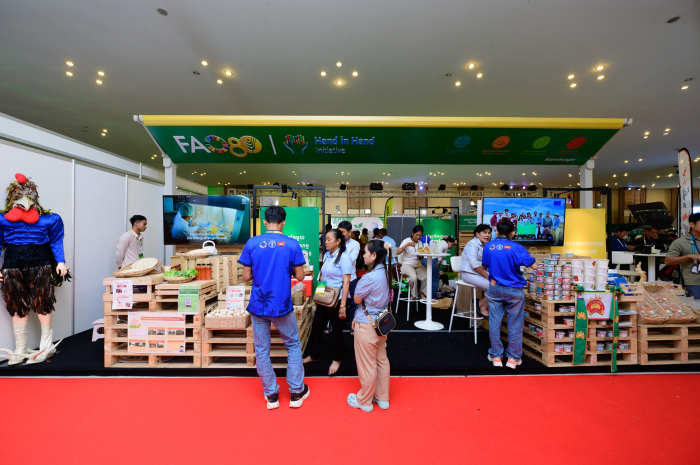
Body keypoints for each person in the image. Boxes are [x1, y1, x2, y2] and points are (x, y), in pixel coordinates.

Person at [239, 206, 309, 409]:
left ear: (264, 221)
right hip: (282, 305)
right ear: (283, 222)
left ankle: (271, 395)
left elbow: (246, 277)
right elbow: (300, 276)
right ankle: (296, 392)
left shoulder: (252, 243)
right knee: (293, 345)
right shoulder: (292, 244)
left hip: (258, 305)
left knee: (262, 349)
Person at [482, 219, 538, 369]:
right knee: (515, 323)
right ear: (513, 232)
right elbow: (534, 266)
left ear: (497, 231)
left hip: (494, 288)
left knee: (494, 322)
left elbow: (485, 265)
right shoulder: (518, 247)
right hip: (514, 290)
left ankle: (496, 357)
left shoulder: (488, 246)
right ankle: (513, 359)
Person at [347, 240, 392, 413]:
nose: (363, 255)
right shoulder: (386, 273)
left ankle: (364, 400)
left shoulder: (368, 278)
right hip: (382, 324)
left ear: (374, 255)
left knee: (367, 365)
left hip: (367, 325)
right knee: (381, 361)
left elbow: (357, 299)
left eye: (365, 252)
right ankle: (382, 398)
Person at [304, 229, 352, 375]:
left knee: (336, 331)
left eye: (329, 239)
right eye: (325, 239)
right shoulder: (327, 256)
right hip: (324, 298)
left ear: (338, 241)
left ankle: (337, 359)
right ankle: (314, 355)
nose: (325, 242)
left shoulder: (344, 257)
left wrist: (343, 305)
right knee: (317, 327)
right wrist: (318, 297)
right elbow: (322, 278)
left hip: (337, 299)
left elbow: (346, 282)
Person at [664, 214, 700, 298]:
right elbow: (668, 261)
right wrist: (689, 256)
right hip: (694, 282)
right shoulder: (680, 242)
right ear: (692, 224)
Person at [460, 224, 492, 316]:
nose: (487, 235)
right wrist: (487, 276)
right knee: (492, 286)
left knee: (497, 283)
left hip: (478, 273)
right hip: (469, 273)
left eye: (489, 233)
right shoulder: (472, 244)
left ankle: (481, 303)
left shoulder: (484, 245)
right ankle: (482, 307)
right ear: (477, 234)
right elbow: (474, 264)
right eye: (484, 232)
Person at [338, 220, 361, 320]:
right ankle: (337, 323)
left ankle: (352, 323)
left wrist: (338, 262)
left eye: (343, 232)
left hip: (351, 277)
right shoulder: (336, 242)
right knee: (337, 301)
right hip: (338, 277)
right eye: (339, 232)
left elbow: (351, 260)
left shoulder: (355, 244)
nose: (341, 234)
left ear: (349, 232)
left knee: (353, 302)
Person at [397, 225, 428, 299]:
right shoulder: (406, 241)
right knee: (413, 277)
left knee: (427, 275)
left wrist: (423, 253)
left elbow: (420, 257)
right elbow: (398, 252)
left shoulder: (420, 243)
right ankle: (413, 294)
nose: (418, 237)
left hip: (417, 264)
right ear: (412, 233)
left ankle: (421, 291)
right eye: (416, 235)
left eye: (420, 235)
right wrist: (407, 245)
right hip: (407, 264)